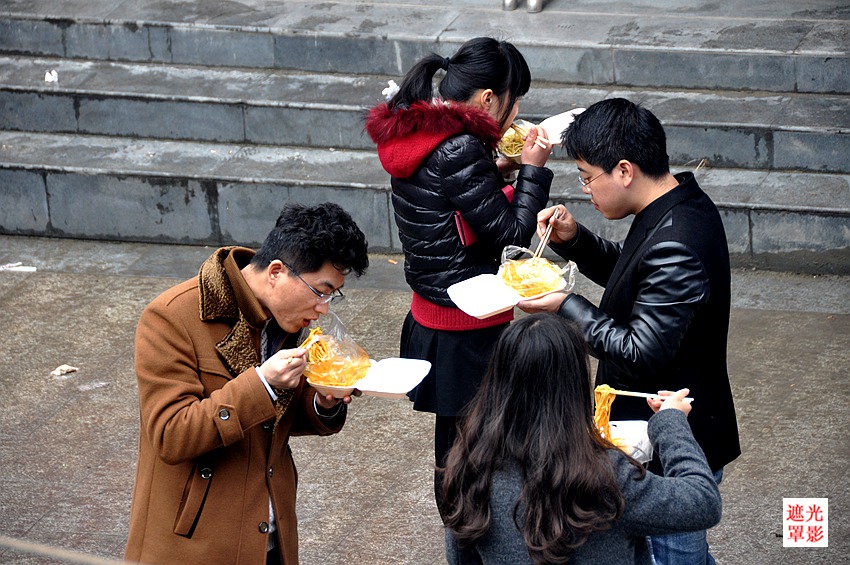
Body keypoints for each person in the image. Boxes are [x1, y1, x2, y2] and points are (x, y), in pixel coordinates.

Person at [517, 98, 740, 565]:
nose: (584, 188)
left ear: (624, 170)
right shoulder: (677, 203)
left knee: (673, 558)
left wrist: (564, 305)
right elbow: (635, 275)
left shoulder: (677, 240)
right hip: (661, 424)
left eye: (585, 176)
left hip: (672, 435)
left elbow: (642, 350)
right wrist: (575, 240)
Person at [364, 36, 554, 512]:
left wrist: (498, 169)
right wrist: (533, 171)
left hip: (432, 312)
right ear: (489, 98)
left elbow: (451, 206)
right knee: (484, 451)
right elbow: (510, 234)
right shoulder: (461, 147)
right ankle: (476, 538)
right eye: (513, 102)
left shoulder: (419, 131)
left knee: (454, 443)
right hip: (469, 320)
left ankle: (461, 534)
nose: (513, 114)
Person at [124, 203, 369, 565]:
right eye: (321, 290)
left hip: (271, 538)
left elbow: (271, 420)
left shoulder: (286, 320)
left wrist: (323, 402)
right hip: (197, 546)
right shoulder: (171, 317)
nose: (323, 308)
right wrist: (261, 383)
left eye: (333, 295)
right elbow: (171, 434)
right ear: (276, 272)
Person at [441, 313, 722, 564]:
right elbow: (703, 503)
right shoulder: (607, 475)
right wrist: (670, 423)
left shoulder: (468, 467)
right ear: (573, 388)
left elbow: (460, 555)